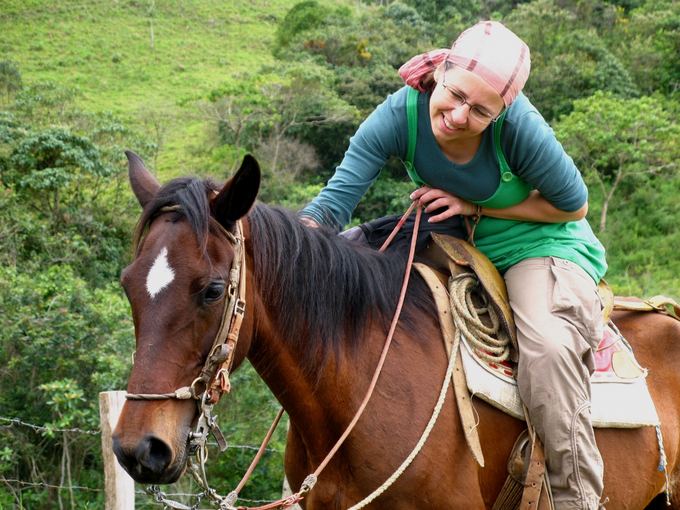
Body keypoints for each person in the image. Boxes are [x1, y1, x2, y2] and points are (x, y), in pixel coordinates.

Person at [299, 20, 608, 510]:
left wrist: (474, 206)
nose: (460, 115)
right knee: (355, 268)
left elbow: (573, 205)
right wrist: (291, 247)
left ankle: (577, 498)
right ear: (439, 70)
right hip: (452, 238)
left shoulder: (521, 129)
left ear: (501, 112)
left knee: (548, 350)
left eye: (480, 110)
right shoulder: (399, 115)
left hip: (539, 242)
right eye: (455, 94)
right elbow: (333, 205)